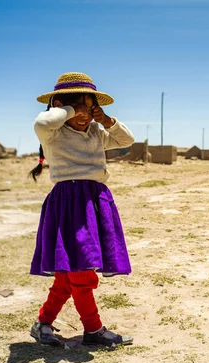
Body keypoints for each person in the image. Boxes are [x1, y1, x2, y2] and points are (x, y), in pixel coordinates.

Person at [28, 72, 135, 347]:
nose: (84, 114)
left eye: (89, 108)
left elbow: (126, 140)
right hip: (68, 203)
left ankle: (42, 323)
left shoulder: (97, 132)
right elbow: (42, 120)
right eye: (78, 108)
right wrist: (68, 109)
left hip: (94, 200)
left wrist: (107, 121)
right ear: (61, 107)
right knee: (82, 269)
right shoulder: (53, 133)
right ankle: (93, 329)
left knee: (67, 274)